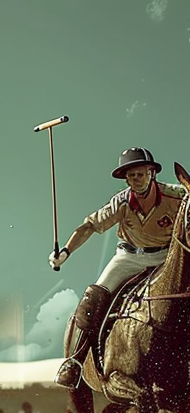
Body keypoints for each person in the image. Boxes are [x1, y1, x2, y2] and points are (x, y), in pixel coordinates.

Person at [50, 147, 187, 388]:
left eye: (140, 174)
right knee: (93, 297)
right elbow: (89, 226)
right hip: (129, 258)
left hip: (167, 257)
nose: (136, 180)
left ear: (152, 172)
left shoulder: (176, 196)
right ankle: (75, 362)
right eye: (131, 176)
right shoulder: (121, 202)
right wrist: (66, 252)